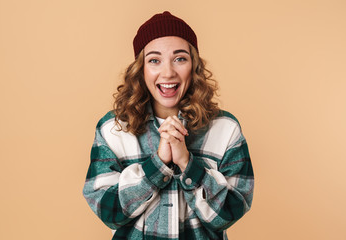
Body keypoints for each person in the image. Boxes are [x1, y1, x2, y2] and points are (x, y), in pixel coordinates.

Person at [83, 11, 254, 240]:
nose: (168, 72)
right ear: (140, 69)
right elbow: (108, 212)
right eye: (154, 60)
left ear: (194, 66)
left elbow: (231, 212)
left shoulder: (225, 129)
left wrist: (187, 163)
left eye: (180, 58)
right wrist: (157, 165)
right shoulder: (113, 129)